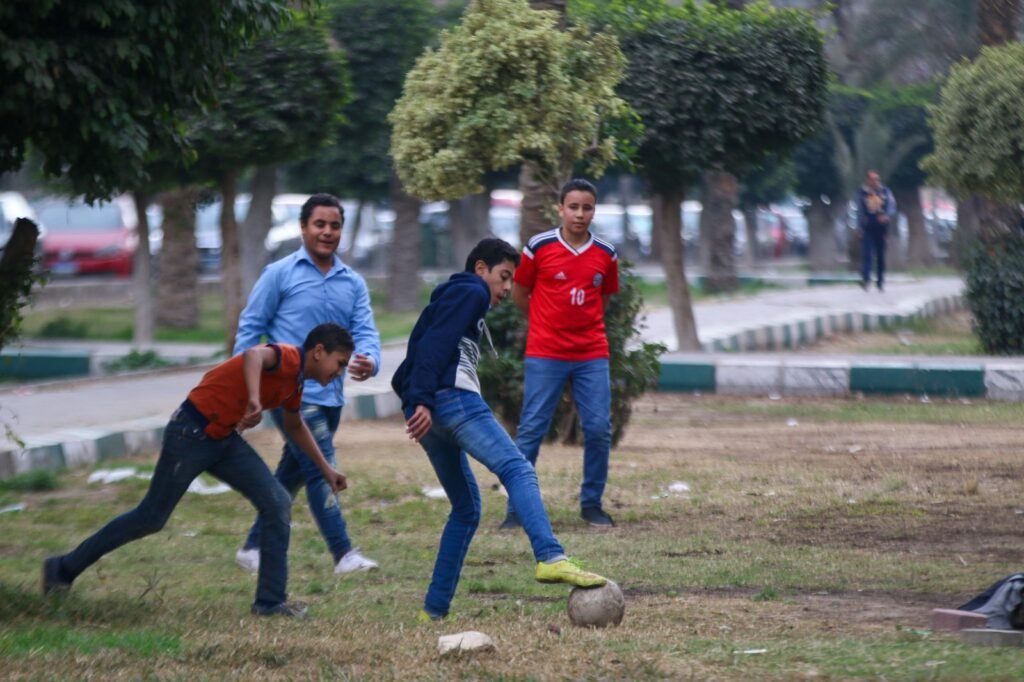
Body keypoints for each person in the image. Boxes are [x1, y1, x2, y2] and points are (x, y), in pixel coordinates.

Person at [42, 323, 355, 618]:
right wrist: (255, 401)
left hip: (224, 440)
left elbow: (294, 425)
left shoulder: (295, 384)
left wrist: (326, 469)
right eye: (339, 363)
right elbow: (252, 355)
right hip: (190, 433)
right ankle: (62, 568)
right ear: (318, 352)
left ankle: (270, 602)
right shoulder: (287, 357)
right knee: (150, 518)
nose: (339, 372)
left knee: (277, 501)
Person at [392, 238, 609, 621]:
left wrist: (414, 400)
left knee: (466, 509)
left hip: (430, 413)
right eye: (504, 277)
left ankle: (434, 610)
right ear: (481, 269)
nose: (508, 289)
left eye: (512, 281)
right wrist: (424, 397)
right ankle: (550, 556)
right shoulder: (471, 289)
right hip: (451, 400)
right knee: (518, 468)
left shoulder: (454, 295)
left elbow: (419, 346)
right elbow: (435, 345)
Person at [232, 193, 381, 576]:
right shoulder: (279, 274)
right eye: (319, 224)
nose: (327, 232)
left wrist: (369, 360)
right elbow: (250, 328)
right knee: (320, 467)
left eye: (334, 226)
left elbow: (365, 331)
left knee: (293, 471)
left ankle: (253, 546)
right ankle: (343, 553)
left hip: (331, 395)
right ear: (303, 228)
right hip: (289, 394)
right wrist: (245, 387)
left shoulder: (353, 282)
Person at [501, 178, 619, 530]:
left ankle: (592, 504)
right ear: (560, 209)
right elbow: (521, 293)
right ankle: (517, 510)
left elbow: (605, 298)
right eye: (573, 207)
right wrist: (544, 322)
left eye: (587, 208)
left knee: (598, 429)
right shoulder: (539, 247)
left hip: (591, 353)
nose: (580, 214)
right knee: (532, 430)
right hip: (545, 353)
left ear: (594, 210)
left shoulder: (606, 254)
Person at [857, 170, 898, 292]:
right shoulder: (862, 193)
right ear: (868, 180)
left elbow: (891, 206)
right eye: (872, 180)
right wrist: (859, 228)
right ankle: (866, 279)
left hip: (882, 229)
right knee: (867, 254)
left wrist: (886, 216)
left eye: (877, 179)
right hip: (868, 228)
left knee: (880, 256)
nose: (875, 182)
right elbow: (859, 210)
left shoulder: (885, 192)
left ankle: (880, 281)